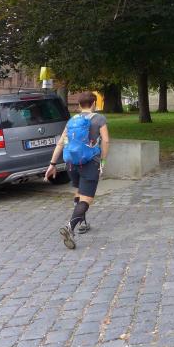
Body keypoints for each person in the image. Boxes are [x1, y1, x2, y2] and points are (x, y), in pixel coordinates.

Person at [46, 92, 110, 249]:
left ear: (80, 105)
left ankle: (83, 223)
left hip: (72, 163)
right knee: (86, 199)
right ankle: (70, 227)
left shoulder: (71, 121)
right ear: (94, 103)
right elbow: (106, 141)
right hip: (90, 162)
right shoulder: (99, 119)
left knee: (80, 192)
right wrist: (102, 160)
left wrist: (52, 164)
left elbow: (61, 143)